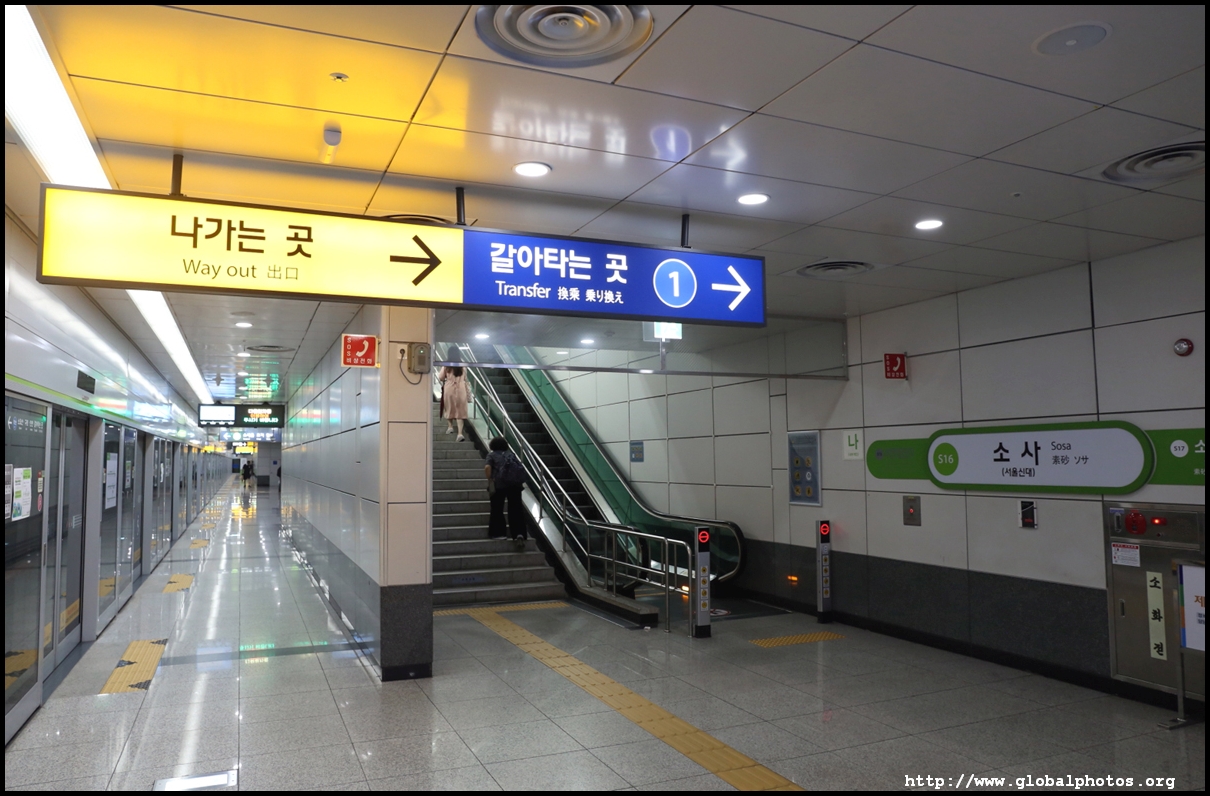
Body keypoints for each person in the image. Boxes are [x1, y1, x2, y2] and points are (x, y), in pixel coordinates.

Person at [484, 436, 528, 543]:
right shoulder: (510, 454)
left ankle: (499, 533)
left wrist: (490, 479)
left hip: (499, 485)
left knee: (497, 509)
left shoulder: (491, 455)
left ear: (492, 445)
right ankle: (519, 533)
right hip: (515, 485)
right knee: (516, 509)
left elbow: (487, 468)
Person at [438, 364, 469, 441]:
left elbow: (441, 377)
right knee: (460, 410)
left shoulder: (446, 366)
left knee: (449, 407)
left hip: (449, 388)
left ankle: (450, 427)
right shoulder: (463, 366)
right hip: (461, 388)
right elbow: (465, 378)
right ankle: (460, 434)